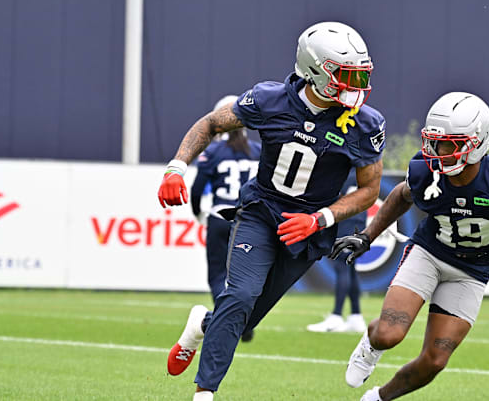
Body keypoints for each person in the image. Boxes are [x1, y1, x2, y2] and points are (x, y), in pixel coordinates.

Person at [157, 21, 385, 400]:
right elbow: (212, 123)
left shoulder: (365, 124)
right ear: (315, 71)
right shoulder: (270, 100)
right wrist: (177, 166)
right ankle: (203, 394)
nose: (356, 85)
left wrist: (320, 218)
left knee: (243, 320)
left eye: (360, 75)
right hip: (261, 212)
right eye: (346, 75)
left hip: (309, 229)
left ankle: (201, 325)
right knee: (239, 296)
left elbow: (368, 190)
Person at [330, 92, 489, 401]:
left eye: (449, 144)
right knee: (389, 334)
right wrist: (367, 237)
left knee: (435, 360)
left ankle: (378, 398)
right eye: (435, 141)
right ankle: (370, 344)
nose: (438, 151)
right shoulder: (425, 171)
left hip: (471, 271)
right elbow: (401, 197)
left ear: (477, 143)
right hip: (429, 254)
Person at [190, 95, 261, 342]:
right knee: (248, 277)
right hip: (251, 221)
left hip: (220, 217)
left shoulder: (215, 151)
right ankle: (246, 319)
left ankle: (229, 319)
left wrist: (198, 212)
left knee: (219, 275)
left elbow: (197, 189)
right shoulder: (258, 151)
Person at [306, 170, 367, 333]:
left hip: (347, 220)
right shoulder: (364, 167)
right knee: (350, 268)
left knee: (343, 265)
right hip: (358, 220)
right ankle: (356, 316)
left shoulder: (347, 169)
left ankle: (336, 316)